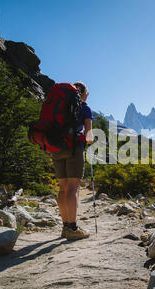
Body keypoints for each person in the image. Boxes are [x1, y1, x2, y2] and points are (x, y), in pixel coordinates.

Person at [52, 81, 93, 240]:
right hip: (74, 148)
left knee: (63, 188)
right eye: (87, 92)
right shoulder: (85, 108)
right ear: (82, 93)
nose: (87, 95)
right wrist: (90, 140)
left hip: (56, 148)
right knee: (73, 188)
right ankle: (73, 227)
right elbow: (88, 136)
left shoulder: (60, 105)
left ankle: (64, 227)